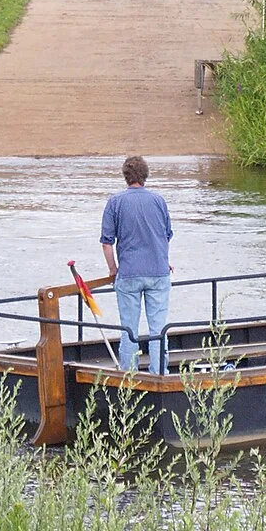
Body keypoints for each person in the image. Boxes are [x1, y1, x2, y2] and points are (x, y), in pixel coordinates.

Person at [101, 155, 173, 373]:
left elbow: (107, 243)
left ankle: (128, 375)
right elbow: (166, 235)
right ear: (145, 176)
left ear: (125, 176)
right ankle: (159, 373)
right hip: (158, 273)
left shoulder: (115, 202)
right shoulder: (158, 201)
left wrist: (113, 270)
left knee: (129, 328)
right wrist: (163, 260)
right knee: (158, 328)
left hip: (129, 273)